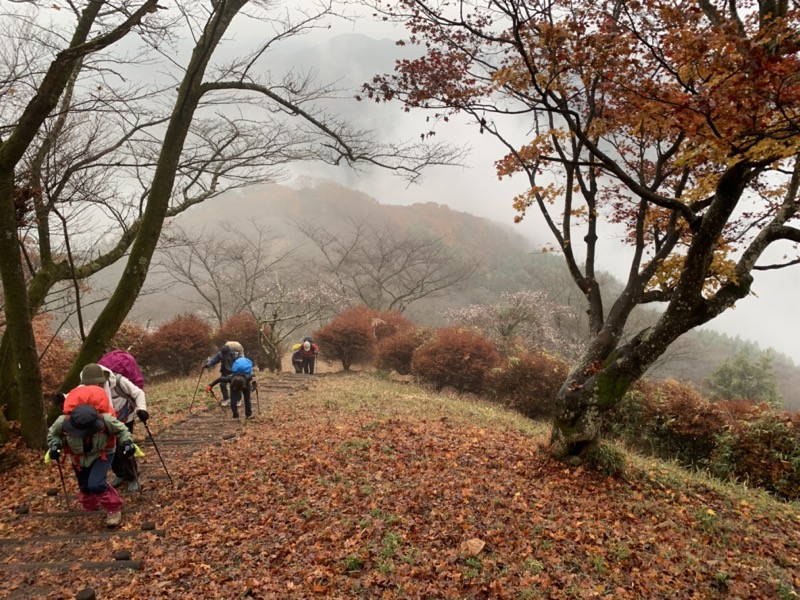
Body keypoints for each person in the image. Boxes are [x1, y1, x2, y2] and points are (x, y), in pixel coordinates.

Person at [46, 403, 135, 528]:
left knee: (96, 484)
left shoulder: (105, 419)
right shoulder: (62, 422)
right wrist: (55, 446)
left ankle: (113, 508)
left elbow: (122, 430)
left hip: (102, 454)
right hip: (78, 456)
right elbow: (54, 435)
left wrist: (126, 443)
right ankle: (91, 505)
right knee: (84, 486)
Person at [98, 364, 148, 492]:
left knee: (124, 449)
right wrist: (64, 398)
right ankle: (120, 474)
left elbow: (138, 393)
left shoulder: (119, 381)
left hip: (125, 419)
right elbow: (78, 394)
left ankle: (133, 477)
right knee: (110, 449)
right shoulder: (91, 386)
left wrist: (141, 409)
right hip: (107, 421)